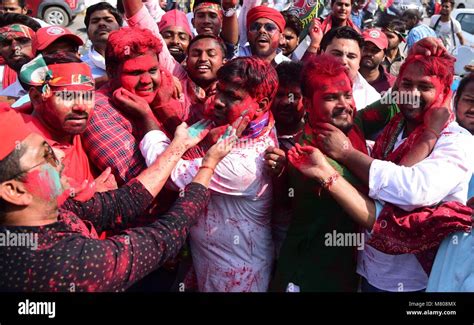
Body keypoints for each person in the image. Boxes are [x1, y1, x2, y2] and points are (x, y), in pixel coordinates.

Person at [0, 105, 237, 292]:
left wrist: (179, 145)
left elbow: (125, 202)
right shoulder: (62, 264)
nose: (61, 154)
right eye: (47, 154)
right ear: (14, 191)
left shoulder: (51, 210)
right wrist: (208, 166)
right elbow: (164, 236)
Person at [314, 48, 474, 292]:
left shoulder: (456, 140)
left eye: (424, 87)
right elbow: (383, 163)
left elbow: (413, 190)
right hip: (369, 268)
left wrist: (346, 153)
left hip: (414, 281)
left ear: (443, 92)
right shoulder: (395, 126)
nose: (412, 94)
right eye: (406, 83)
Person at [139, 57, 278, 292]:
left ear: (262, 105)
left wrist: (146, 118)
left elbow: (168, 174)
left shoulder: (246, 162)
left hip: (237, 279)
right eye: (220, 92)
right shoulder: (248, 128)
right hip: (214, 266)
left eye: (232, 97)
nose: (219, 103)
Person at [318, 26, 381, 109]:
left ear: (359, 61)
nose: (343, 61)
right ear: (322, 54)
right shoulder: (303, 85)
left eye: (351, 56)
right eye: (337, 54)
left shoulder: (372, 98)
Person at [81, 2, 123, 85]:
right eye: (95, 21)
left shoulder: (134, 58)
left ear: (121, 29)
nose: (101, 24)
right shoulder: (79, 67)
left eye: (108, 20)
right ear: (88, 34)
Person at [0, 16, 40, 99]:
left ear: (38, 44)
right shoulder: (4, 101)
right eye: (6, 43)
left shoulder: (64, 85)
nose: (15, 48)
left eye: (23, 41)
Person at [359, 28, 395, 93]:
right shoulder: (348, 77)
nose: (369, 53)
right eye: (365, 48)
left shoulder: (391, 84)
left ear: (384, 56)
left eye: (375, 50)